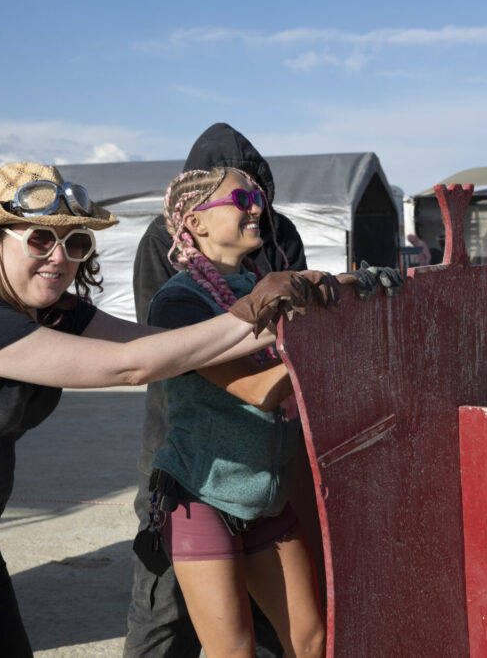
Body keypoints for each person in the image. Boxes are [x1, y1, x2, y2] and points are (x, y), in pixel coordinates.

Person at [0, 162, 318, 658]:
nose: (59, 258)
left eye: (75, 244)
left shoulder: (58, 311)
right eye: (41, 239)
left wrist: (294, 321)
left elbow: (164, 346)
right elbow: (128, 367)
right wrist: (250, 311)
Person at [127, 123, 306, 658]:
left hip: (264, 463)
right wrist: (302, 354)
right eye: (241, 195)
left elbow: (295, 315)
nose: (253, 206)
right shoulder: (164, 242)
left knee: (299, 635)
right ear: (196, 217)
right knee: (163, 608)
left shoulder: (276, 232)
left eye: (257, 193)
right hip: (188, 440)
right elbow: (163, 346)